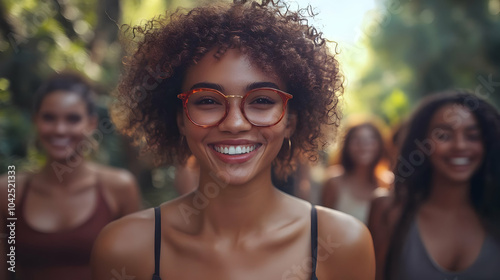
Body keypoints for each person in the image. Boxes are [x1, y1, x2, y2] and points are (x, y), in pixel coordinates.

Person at [91, 1, 375, 279]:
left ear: (291, 122)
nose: (234, 123)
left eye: (262, 100)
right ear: (180, 119)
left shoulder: (342, 244)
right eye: (207, 100)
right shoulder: (123, 249)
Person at [0, 71, 142, 280]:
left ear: (91, 124)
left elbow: (134, 268)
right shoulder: (9, 190)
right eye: (49, 117)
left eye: (73, 119)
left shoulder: (119, 187)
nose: (60, 129)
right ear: (35, 120)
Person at [368, 91, 500, 280]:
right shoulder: (389, 210)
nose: (460, 146)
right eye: (444, 136)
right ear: (421, 144)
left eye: (473, 136)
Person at [321, 121, 391, 224]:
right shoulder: (334, 182)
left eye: (370, 140)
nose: (363, 145)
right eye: (357, 140)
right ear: (347, 145)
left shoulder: (388, 184)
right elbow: (323, 224)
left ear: (380, 145)